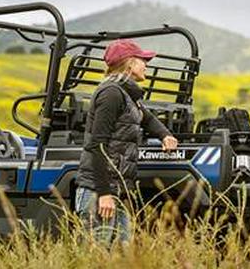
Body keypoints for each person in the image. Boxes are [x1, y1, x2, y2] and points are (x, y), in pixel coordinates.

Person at [75, 39, 179, 245]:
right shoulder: (111, 93)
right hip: (99, 191)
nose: (146, 65)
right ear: (130, 64)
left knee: (121, 254)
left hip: (118, 190)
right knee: (95, 256)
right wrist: (104, 193)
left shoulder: (128, 95)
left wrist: (165, 135)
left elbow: (147, 118)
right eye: (143, 60)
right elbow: (97, 146)